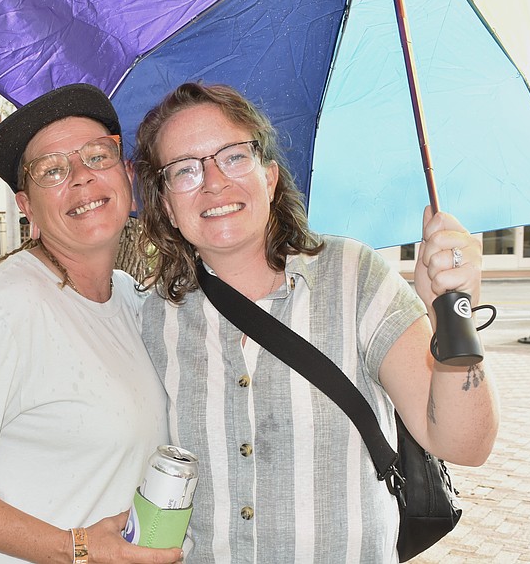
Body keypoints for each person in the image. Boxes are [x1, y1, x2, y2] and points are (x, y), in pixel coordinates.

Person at [133, 82, 500, 563]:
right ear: (166, 206)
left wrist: (454, 311)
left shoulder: (356, 277)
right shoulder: (151, 319)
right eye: (184, 170)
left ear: (269, 177)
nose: (214, 182)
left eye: (234, 157)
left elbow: (464, 444)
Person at [0, 83, 182, 564]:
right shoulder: (2, 310)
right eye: (53, 171)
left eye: (97, 156)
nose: (81, 178)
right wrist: (78, 548)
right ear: (27, 208)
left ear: (127, 176)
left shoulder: (129, 298)